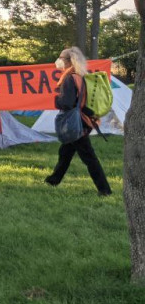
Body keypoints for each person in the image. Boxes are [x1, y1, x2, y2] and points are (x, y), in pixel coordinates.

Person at [45, 47, 112, 196]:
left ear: (69, 61)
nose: (58, 60)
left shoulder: (69, 78)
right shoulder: (82, 76)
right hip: (83, 120)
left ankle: (105, 190)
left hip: (75, 123)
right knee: (65, 152)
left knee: (89, 157)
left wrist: (57, 100)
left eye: (61, 58)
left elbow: (67, 103)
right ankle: (53, 180)